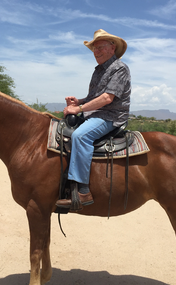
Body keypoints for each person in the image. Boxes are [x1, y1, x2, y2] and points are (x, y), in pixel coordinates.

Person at [56, 29, 131, 209]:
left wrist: (78, 108)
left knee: (80, 136)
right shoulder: (99, 70)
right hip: (96, 113)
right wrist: (80, 101)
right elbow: (94, 96)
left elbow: (107, 98)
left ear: (112, 48)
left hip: (110, 116)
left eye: (100, 47)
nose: (96, 52)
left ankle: (82, 192)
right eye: (94, 49)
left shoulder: (119, 68)